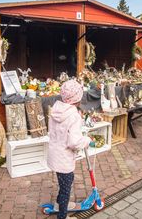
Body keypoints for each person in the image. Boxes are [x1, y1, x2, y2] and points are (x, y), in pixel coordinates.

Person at [47, 79, 91, 219]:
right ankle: (62, 215)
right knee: (66, 188)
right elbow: (74, 142)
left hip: (55, 154)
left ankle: (58, 204)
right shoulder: (74, 116)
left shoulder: (55, 110)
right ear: (77, 98)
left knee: (63, 183)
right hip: (65, 159)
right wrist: (86, 140)